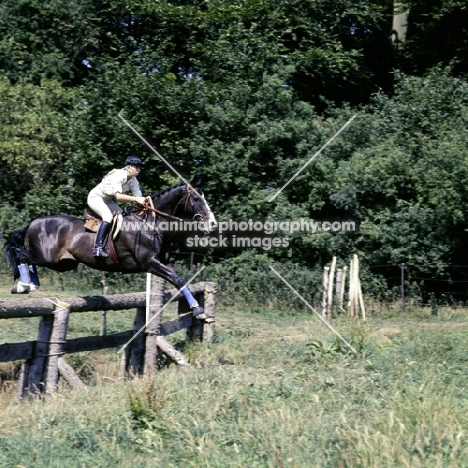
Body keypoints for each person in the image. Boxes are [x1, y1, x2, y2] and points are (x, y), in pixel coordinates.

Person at [87, 155, 148, 257]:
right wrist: (137, 199)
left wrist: (146, 202)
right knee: (108, 217)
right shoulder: (119, 175)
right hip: (95, 198)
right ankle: (98, 248)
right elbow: (119, 197)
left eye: (139, 167)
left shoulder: (133, 180)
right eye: (136, 167)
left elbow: (139, 197)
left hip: (107, 200)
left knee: (124, 216)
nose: (139, 170)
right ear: (129, 167)